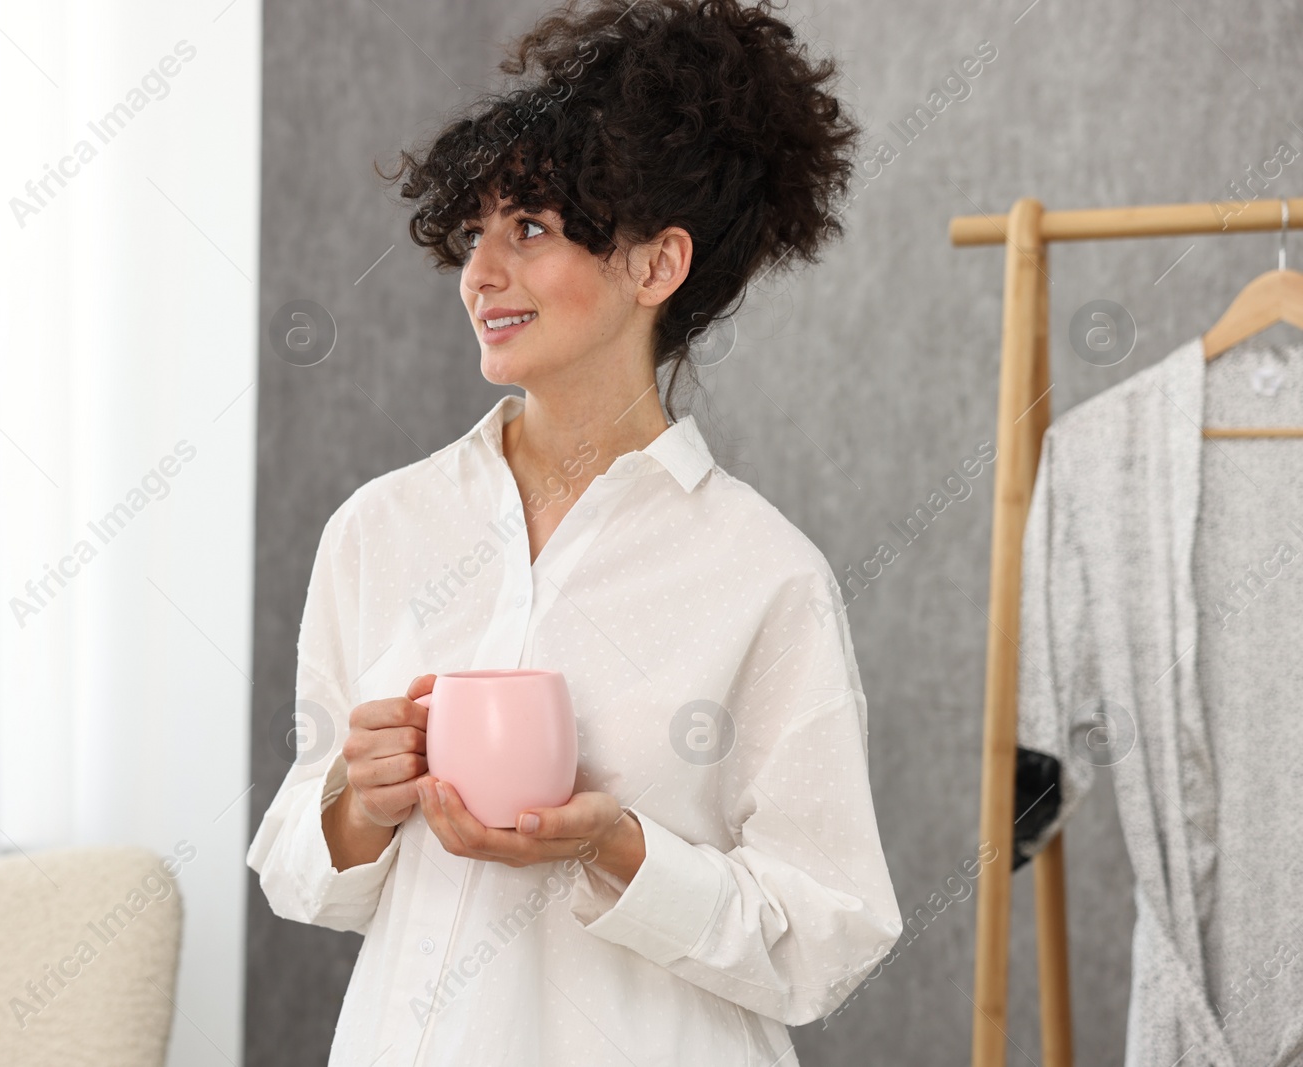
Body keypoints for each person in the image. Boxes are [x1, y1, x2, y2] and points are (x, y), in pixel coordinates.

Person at [246, 1, 903, 1063]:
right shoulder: (383, 526)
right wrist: (353, 799)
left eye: (532, 229)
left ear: (656, 265)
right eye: (474, 235)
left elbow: (827, 936)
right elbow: (294, 865)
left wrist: (619, 847)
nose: (480, 275)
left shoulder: (762, 572)